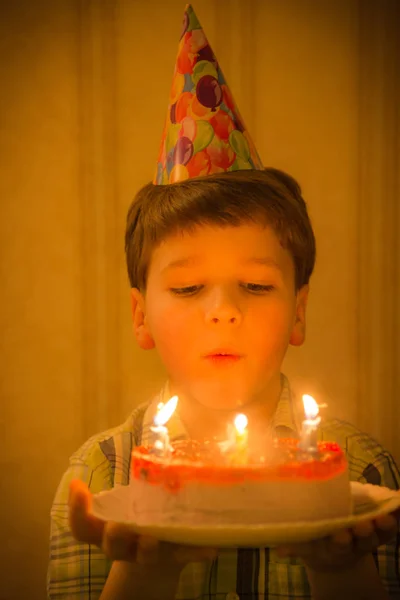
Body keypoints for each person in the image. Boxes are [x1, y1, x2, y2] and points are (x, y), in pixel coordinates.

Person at [47, 5, 400, 600]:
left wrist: (341, 572)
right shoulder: (102, 474)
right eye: (187, 288)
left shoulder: (360, 471)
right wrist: (145, 569)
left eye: (257, 286)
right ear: (141, 316)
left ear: (299, 310)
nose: (222, 311)